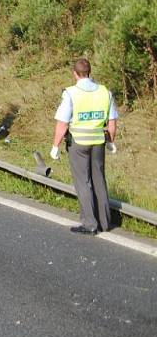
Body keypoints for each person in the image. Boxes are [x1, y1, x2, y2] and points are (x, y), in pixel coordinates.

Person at [50, 58, 118, 234]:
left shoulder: (71, 93)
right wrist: (111, 141)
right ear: (90, 72)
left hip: (78, 143)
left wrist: (55, 146)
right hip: (98, 142)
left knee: (83, 182)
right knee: (99, 180)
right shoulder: (105, 92)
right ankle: (104, 222)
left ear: (74, 73)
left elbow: (62, 123)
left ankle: (90, 224)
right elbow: (112, 121)